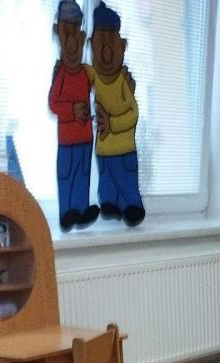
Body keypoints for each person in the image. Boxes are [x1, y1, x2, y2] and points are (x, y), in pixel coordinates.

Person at [88, 2, 144, 226]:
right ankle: (110, 204)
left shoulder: (122, 82)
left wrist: (111, 123)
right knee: (107, 183)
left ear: (122, 46)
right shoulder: (94, 79)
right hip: (103, 150)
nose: (106, 51)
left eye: (111, 41)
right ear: (91, 45)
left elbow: (133, 113)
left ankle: (133, 206)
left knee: (127, 182)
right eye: (101, 41)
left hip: (124, 150)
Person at [48, 0, 100, 231]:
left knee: (83, 175)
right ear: (58, 34)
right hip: (67, 141)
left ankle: (80, 210)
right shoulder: (61, 74)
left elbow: (101, 89)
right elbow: (53, 104)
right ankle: (67, 212)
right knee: (67, 175)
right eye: (66, 32)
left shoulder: (86, 73)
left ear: (81, 38)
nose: (72, 42)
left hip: (85, 138)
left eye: (75, 33)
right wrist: (72, 111)